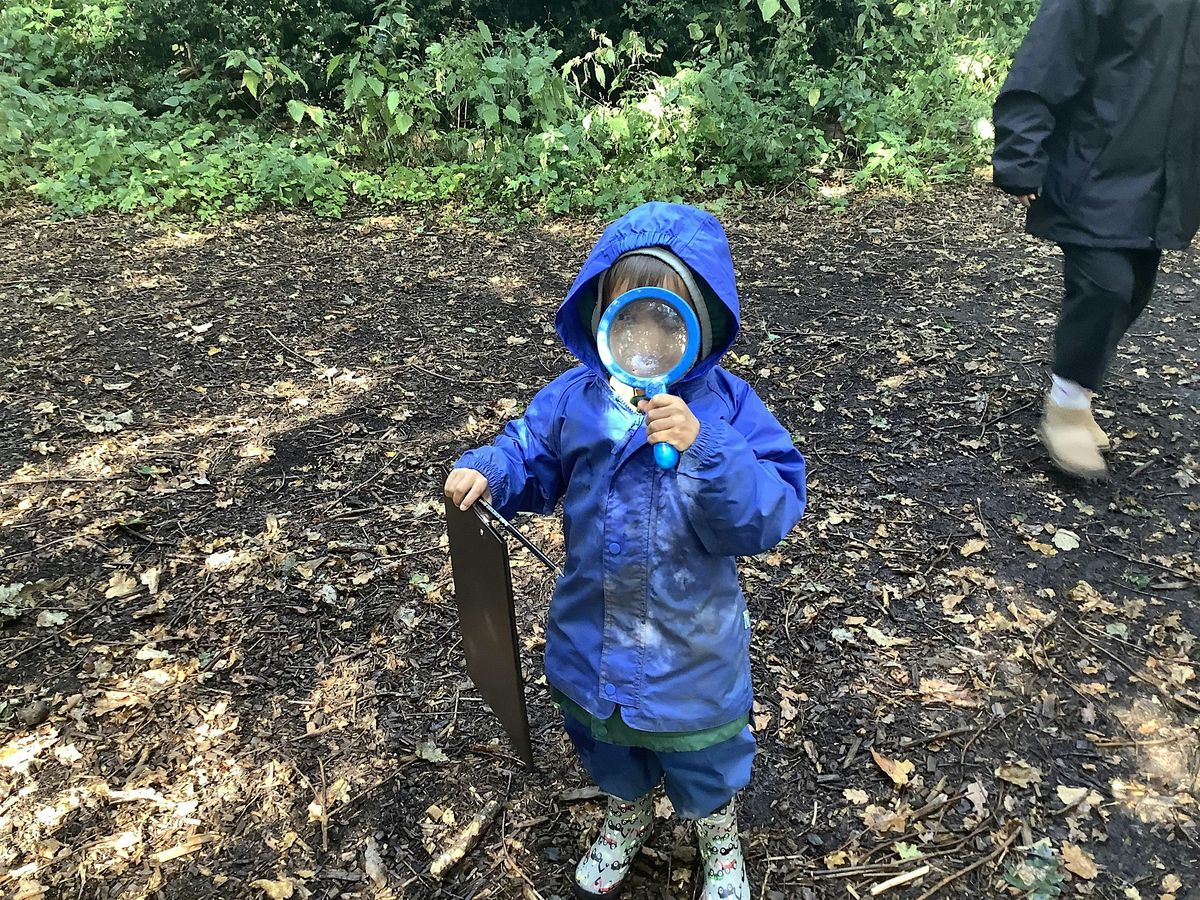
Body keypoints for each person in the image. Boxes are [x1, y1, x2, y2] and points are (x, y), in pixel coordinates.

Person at [444, 202, 807, 899]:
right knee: (606, 740)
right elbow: (528, 452)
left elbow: (767, 513)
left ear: (699, 323)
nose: (646, 339)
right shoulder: (575, 400)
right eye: (629, 319)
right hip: (594, 627)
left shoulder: (728, 408)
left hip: (692, 645)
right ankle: (627, 811)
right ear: (602, 318)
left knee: (704, 755)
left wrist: (706, 445)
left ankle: (715, 832)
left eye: (666, 322)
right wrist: (491, 469)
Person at [992, 0, 1200, 480]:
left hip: (1162, 179)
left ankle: (1078, 397)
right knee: (1105, 286)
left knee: (1134, 291)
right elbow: (1047, 58)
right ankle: (1065, 409)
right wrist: (1020, 153)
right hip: (1091, 165)